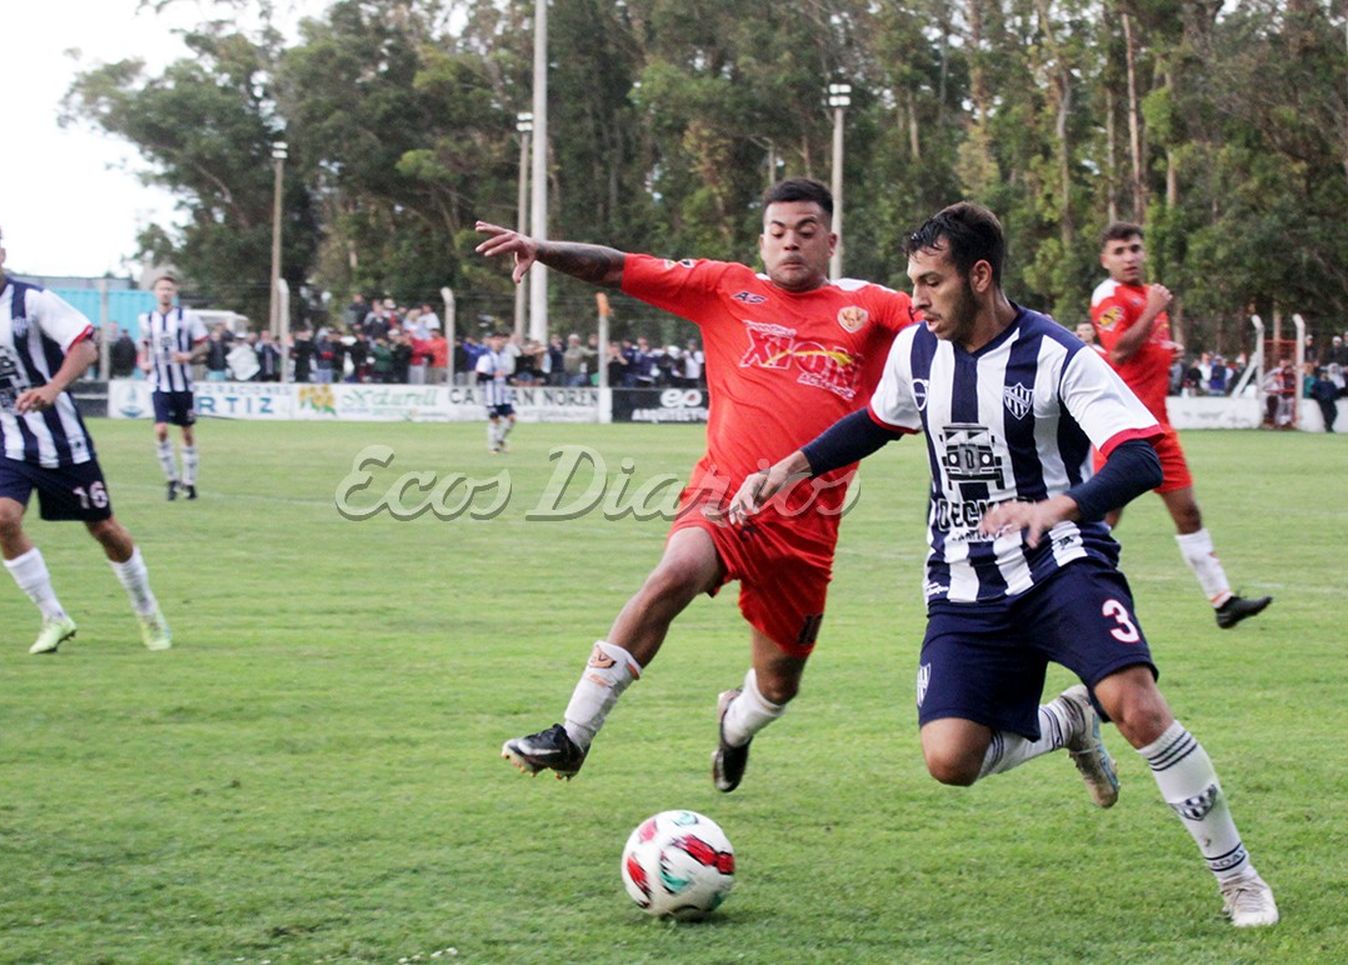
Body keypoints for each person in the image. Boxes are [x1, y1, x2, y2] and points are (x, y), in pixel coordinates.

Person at [732, 202, 1277, 928]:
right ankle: (1069, 722)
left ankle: (1239, 878)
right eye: (912, 283)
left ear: (980, 275)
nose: (917, 300)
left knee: (1139, 705)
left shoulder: (1057, 355)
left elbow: (1141, 454)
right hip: (962, 579)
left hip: (1060, 562)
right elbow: (876, 420)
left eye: (932, 282)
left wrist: (1061, 507)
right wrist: (790, 466)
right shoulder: (918, 349)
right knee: (950, 758)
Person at [475, 177, 915, 790]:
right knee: (674, 574)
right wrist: (542, 248)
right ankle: (573, 734)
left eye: (807, 232)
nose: (792, 244)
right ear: (762, 242)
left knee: (779, 684)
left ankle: (734, 726)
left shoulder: (871, 306)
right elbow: (619, 268)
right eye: (779, 233)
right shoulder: (724, 286)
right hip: (723, 499)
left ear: (831, 241)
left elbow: (942, 317)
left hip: (807, 530)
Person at [0, 217, 171, 654]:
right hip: (2, 438)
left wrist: (53, 388)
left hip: (62, 439)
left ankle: (147, 612)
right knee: (0, 518)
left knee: (105, 529)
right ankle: (53, 616)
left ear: (4, 255)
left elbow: (85, 345)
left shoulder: (34, 301)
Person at [1090, 222, 1270, 629]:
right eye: (1119, 251)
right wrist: (1154, 309)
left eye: (1135, 248)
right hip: (1122, 428)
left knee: (1188, 513)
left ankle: (1223, 601)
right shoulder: (1111, 296)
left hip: (1158, 428)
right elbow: (1118, 350)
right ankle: (1074, 593)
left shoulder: (1144, 294)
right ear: (1105, 259)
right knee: (1103, 519)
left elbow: (1141, 351)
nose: (1130, 256)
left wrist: (1166, 347)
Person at [136, 274, 208, 501]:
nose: (165, 292)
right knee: (161, 430)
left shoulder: (187, 318)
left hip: (183, 385)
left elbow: (204, 344)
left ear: (174, 292)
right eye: (161, 289)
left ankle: (190, 481)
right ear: (155, 293)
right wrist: (143, 363)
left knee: (186, 433)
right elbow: (144, 348)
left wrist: (189, 355)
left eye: (169, 289)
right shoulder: (146, 319)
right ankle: (171, 479)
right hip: (158, 383)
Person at [475, 330, 517, 453]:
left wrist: (511, 379)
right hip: (490, 396)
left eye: (500, 340)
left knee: (512, 419)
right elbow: (480, 377)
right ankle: (492, 447)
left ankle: (499, 439)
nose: (498, 342)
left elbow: (506, 375)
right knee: (495, 420)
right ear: (491, 342)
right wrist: (494, 376)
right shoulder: (486, 358)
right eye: (496, 340)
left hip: (503, 396)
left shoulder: (505, 357)